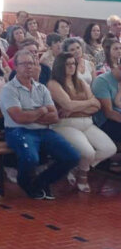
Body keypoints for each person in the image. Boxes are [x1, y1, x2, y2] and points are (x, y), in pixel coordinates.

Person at [0, 50, 80, 199]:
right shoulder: (9, 89)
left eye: (31, 63)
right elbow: (18, 117)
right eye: (23, 64)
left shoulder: (41, 88)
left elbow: (54, 116)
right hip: (18, 131)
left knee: (72, 157)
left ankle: (40, 182)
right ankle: (24, 182)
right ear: (16, 67)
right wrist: (42, 110)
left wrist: (30, 115)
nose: (28, 67)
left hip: (43, 131)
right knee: (31, 159)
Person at [48, 53, 113, 193]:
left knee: (109, 149)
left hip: (87, 122)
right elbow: (68, 105)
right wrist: (87, 103)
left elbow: (97, 106)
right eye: (68, 64)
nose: (72, 66)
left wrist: (78, 107)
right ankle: (83, 175)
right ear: (60, 66)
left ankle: (77, 168)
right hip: (66, 124)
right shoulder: (54, 84)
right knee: (88, 152)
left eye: (73, 63)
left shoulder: (80, 82)